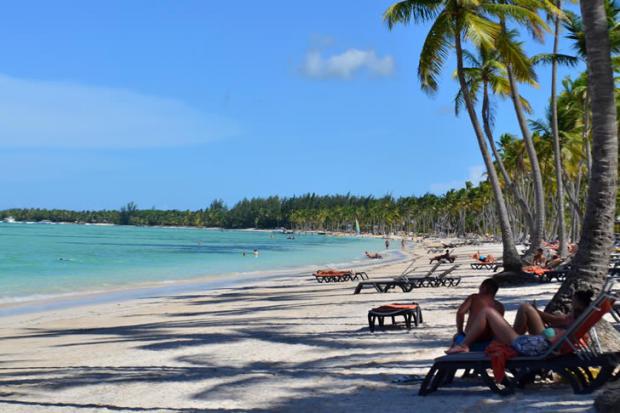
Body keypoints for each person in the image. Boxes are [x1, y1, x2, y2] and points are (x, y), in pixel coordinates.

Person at [446, 290, 594, 356]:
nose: (571, 302)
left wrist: (551, 331)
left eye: (573, 300)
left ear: (578, 304)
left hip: (532, 345)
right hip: (538, 344)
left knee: (487, 312)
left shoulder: (574, 320)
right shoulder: (580, 320)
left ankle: (464, 345)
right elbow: (555, 325)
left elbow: (553, 322)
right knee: (524, 308)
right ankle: (465, 344)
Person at [453, 279, 504, 350]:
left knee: (456, 337)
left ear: (484, 288)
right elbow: (498, 328)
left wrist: (460, 331)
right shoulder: (500, 306)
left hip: (469, 341)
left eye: (480, 287)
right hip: (487, 343)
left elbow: (460, 312)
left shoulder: (474, 297)